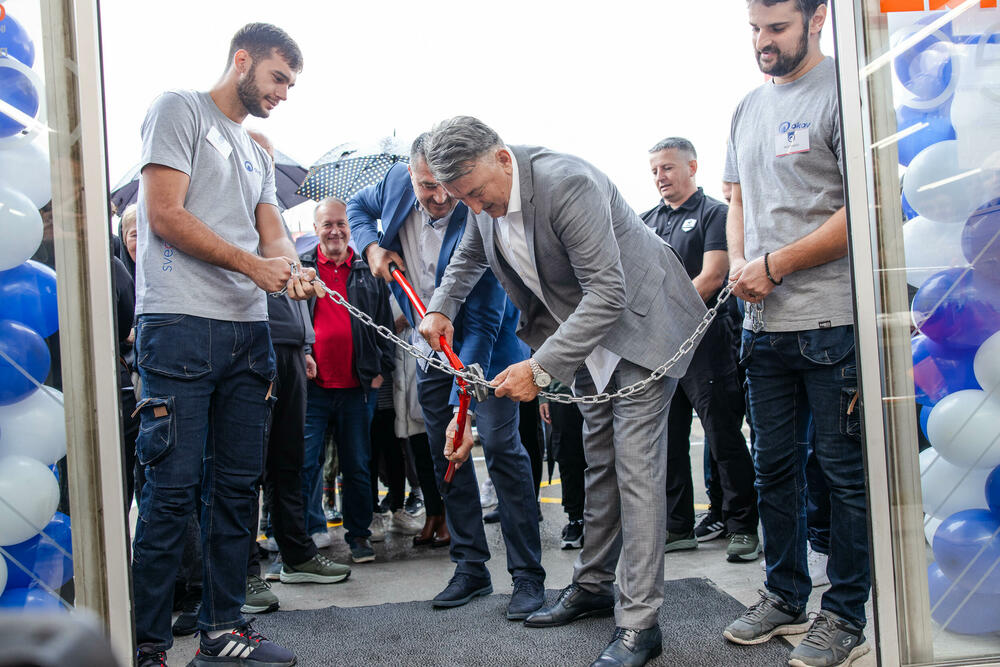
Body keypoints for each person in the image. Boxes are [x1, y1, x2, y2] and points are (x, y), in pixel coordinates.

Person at [419, 117, 706, 667]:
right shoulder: (482, 200)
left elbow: (609, 290)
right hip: (585, 341)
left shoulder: (566, 183)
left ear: (503, 158)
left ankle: (640, 623)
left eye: (478, 194)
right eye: (463, 201)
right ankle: (595, 585)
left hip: (642, 326)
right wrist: (440, 305)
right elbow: (470, 255)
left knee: (636, 472)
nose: (476, 208)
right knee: (598, 461)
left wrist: (540, 368)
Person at [131, 23, 313, 667]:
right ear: (242, 60)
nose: (284, 93)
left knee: (238, 488)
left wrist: (290, 267)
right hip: (179, 324)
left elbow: (275, 235)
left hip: (248, 334)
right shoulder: (178, 108)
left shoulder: (257, 151)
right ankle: (148, 647)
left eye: (290, 83)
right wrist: (252, 266)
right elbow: (165, 214)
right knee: (171, 492)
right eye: (277, 78)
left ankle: (223, 631)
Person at [721, 2, 870, 666]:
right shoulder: (747, 107)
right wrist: (742, 267)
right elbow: (738, 201)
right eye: (754, 29)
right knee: (772, 468)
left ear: (817, 21)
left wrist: (776, 264)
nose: (762, 42)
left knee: (841, 477)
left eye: (776, 28)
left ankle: (843, 613)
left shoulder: (845, 91)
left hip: (830, 321)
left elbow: (861, 211)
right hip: (764, 328)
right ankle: (784, 596)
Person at [348, 134, 545, 620]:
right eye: (426, 186)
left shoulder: (475, 206)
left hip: (488, 347)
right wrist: (371, 245)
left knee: (499, 448)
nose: (438, 197)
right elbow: (356, 206)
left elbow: (483, 316)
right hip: (428, 349)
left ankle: (527, 577)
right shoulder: (395, 183)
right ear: (411, 175)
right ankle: (470, 567)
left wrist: (466, 399)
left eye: (444, 188)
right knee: (445, 456)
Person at [242, 131, 351, 606]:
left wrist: (305, 344)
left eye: (267, 159)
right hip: (248, 346)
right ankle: (241, 570)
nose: (263, 166)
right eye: (256, 158)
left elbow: (295, 293)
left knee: (289, 460)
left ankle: (297, 554)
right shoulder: (228, 215)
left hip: (288, 347)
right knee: (242, 467)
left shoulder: (274, 221)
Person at [640, 138, 759, 562]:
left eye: (668, 168)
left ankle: (742, 525)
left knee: (723, 436)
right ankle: (677, 527)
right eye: (655, 170)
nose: (660, 177)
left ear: (691, 166)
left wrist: (663, 316)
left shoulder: (715, 214)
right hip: (661, 351)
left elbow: (712, 277)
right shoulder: (645, 221)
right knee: (667, 440)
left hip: (706, 344)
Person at [298, 197, 395, 564]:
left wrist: (380, 372)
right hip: (313, 387)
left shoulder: (366, 269)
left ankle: (358, 535)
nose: (335, 230)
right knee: (307, 463)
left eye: (340, 224)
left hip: (358, 388)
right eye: (327, 225)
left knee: (357, 465)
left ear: (348, 228)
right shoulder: (303, 269)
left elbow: (385, 325)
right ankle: (308, 534)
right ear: (316, 228)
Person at [538, 381, 586, 549]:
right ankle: (576, 520)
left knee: (602, 458)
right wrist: (543, 395)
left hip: (600, 390)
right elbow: (540, 355)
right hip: (562, 394)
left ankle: (602, 521)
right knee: (568, 459)